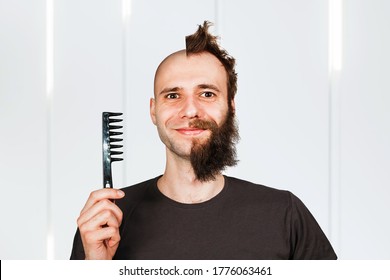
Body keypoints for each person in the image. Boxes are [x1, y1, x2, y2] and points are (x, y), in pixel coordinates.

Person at [70, 21, 337, 260]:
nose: (190, 110)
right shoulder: (105, 223)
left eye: (207, 94)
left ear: (230, 106)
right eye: (173, 96)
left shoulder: (283, 214)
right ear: (153, 110)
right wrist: (96, 268)